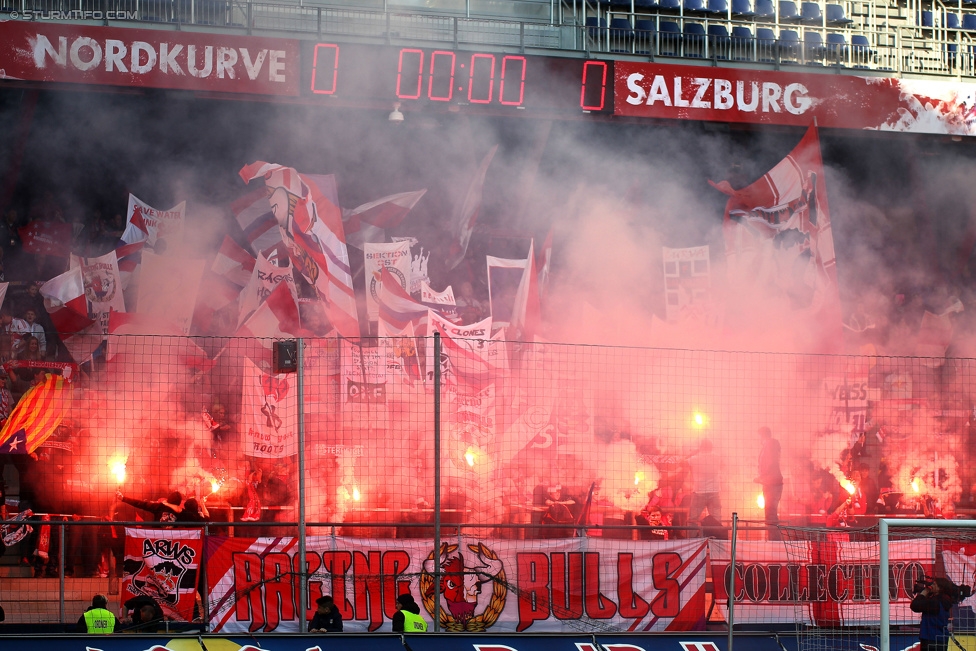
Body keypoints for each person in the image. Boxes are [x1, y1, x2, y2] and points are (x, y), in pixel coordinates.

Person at [911, 577, 957, 651]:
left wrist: (923, 594)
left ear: (940, 588)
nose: (932, 586)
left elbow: (915, 606)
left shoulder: (935, 602)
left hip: (931, 638)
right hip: (941, 639)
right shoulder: (944, 600)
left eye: (935, 584)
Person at [756, 426, 784, 540]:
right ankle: (774, 540)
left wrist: (762, 476)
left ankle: (775, 541)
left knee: (771, 514)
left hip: (772, 483)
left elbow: (770, 462)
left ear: (763, 435)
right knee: (771, 514)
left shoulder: (770, 445)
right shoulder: (771, 445)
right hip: (771, 483)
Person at [687, 439, 722, 524]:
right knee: (716, 519)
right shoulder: (717, 457)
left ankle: (693, 537)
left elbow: (681, 462)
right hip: (714, 491)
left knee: (693, 519)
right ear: (711, 447)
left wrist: (693, 453)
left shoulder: (695, 458)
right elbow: (723, 465)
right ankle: (717, 537)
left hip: (699, 492)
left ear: (701, 447)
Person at [117, 490, 183, 523]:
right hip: (174, 544)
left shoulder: (159, 507)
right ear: (179, 502)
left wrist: (123, 498)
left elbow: (141, 504)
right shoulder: (181, 512)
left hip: (156, 541)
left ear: (169, 499)